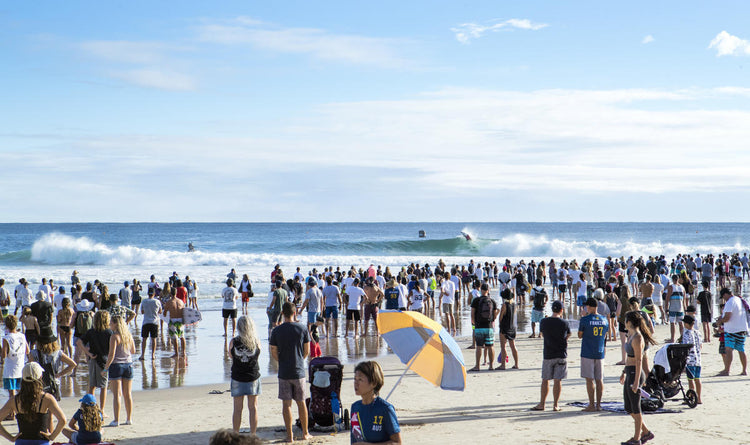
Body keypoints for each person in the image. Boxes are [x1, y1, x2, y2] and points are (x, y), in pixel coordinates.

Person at [269, 302, 311, 443]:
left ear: (283, 313)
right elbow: (307, 351)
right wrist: (300, 359)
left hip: (284, 371)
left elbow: (273, 350)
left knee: (286, 404)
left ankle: (290, 436)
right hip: (298, 370)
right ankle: (305, 433)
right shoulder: (302, 328)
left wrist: (281, 360)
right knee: (301, 403)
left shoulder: (276, 331)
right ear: (295, 313)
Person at [0, 362, 67, 444]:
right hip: (41, 442)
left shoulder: (14, 400)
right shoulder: (47, 398)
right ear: (41, 377)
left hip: (22, 442)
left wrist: (11, 438)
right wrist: (52, 436)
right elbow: (63, 420)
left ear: (23, 378)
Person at [619, 311, 657, 445]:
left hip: (636, 373)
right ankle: (646, 432)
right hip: (629, 371)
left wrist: (636, 383)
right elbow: (630, 358)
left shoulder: (638, 338)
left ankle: (636, 439)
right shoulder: (630, 335)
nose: (624, 321)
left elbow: (639, 360)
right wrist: (624, 371)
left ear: (629, 322)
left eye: (625, 319)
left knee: (635, 407)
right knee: (628, 407)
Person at [350, 361, 402, 444]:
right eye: (355, 379)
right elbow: (355, 441)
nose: (356, 383)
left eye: (360, 379)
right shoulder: (355, 407)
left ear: (373, 383)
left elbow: (397, 443)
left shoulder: (385, 409)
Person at [532, 300, 570, 412]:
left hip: (548, 353)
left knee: (545, 380)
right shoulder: (564, 323)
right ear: (561, 310)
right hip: (561, 353)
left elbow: (542, 334)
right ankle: (555, 405)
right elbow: (568, 335)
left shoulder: (544, 321)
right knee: (558, 380)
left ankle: (542, 403)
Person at [229, 316, 261, 434]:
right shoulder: (256, 341)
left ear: (238, 327)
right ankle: (253, 434)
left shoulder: (233, 341)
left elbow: (231, 356)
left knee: (237, 409)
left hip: (238, 377)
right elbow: (258, 355)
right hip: (252, 377)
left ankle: (236, 434)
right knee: (253, 408)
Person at [103, 315, 136, 427]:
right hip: (128, 364)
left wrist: (105, 368)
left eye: (111, 323)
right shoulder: (128, 335)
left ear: (116, 324)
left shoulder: (114, 337)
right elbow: (133, 351)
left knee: (117, 395)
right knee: (128, 394)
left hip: (116, 365)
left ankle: (116, 420)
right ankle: (129, 418)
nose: (109, 325)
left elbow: (111, 354)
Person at [77, 310, 112, 415]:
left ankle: (91, 408)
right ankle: (102, 409)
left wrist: (87, 353)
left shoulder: (91, 331)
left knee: (92, 385)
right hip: (104, 361)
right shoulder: (109, 332)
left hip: (93, 359)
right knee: (103, 386)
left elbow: (79, 342)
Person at [578, 298, 608, 412]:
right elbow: (605, 333)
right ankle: (599, 404)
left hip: (587, 351)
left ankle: (591, 404)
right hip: (599, 351)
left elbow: (580, 335)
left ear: (589, 307)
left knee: (590, 379)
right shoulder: (604, 319)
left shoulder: (585, 319)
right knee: (599, 379)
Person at [716, 287, 748, 376]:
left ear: (725, 294)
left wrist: (720, 321)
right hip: (742, 328)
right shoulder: (738, 299)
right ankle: (744, 370)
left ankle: (727, 370)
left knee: (728, 349)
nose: (723, 299)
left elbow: (727, 317)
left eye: (723, 297)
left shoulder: (730, 302)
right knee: (741, 349)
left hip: (732, 330)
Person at [468, 283, 499, 372]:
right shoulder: (492, 301)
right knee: (490, 346)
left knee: (479, 346)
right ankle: (491, 366)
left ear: (481, 290)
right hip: (489, 326)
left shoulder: (476, 301)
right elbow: (494, 316)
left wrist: (473, 322)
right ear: (488, 290)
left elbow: (472, 313)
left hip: (479, 326)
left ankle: (477, 366)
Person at [3, 315, 28, 418]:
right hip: (21, 367)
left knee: (11, 394)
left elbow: (4, 355)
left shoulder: (6, 338)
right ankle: (23, 411)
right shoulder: (22, 336)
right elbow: (27, 351)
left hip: (10, 369)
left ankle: (12, 413)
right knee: (21, 392)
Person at [680, 315, 703, 404]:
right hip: (698, 360)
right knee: (697, 379)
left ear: (686, 324)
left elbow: (685, 347)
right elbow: (700, 346)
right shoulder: (698, 333)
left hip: (690, 360)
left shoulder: (686, 334)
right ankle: (699, 398)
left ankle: (691, 397)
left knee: (690, 380)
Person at [139, 287, 162, 361]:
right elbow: (160, 311)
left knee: (144, 339)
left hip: (146, 321)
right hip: (154, 322)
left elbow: (142, 312)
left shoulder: (144, 301)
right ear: (154, 294)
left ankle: (142, 355)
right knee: (154, 339)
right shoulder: (157, 301)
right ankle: (153, 355)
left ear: (148, 293)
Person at [497, 288, 518, 370]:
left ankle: (503, 365)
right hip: (512, 327)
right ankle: (516, 364)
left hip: (505, 327)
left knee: (503, 347)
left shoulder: (504, 305)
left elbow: (500, 318)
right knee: (513, 346)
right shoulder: (514, 305)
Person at [164, 287, 187, 358]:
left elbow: (164, 313)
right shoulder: (181, 302)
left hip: (173, 321)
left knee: (175, 338)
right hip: (180, 321)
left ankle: (176, 353)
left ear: (170, 293)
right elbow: (184, 311)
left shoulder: (169, 302)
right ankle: (183, 352)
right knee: (182, 337)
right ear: (176, 293)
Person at [665, 274, 686, 343]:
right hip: (680, 308)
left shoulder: (671, 287)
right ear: (678, 279)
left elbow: (667, 298)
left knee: (672, 323)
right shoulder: (682, 287)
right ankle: (682, 337)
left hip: (673, 307)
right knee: (681, 323)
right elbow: (684, 299)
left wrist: (666, 308)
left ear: (672, 279)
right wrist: (685, 308)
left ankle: (672, 338)